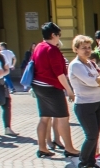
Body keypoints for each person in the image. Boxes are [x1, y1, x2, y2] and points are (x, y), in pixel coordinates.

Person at [31, 22, 79, 158]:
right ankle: (69, 148)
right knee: (63, 117)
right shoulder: (52, 50)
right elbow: (59, 74)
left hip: (38, 86)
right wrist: (69, 90)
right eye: (59, 35)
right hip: (51, 87)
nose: (59, 38)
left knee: (44, 117)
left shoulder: (39, 46)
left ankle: (42, 148)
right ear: (53, 35)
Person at [68, 35, 100, 168]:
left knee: (95, 135)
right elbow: (92, 82)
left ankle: (92, 164)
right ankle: (82, 165)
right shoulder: (75, 65)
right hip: (84, 104)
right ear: (76, 49)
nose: (87, 50)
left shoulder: (90, 63)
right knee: (91, 136)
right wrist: (99, 80)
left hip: (98, 102)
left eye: (88, 47)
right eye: (83, 48)